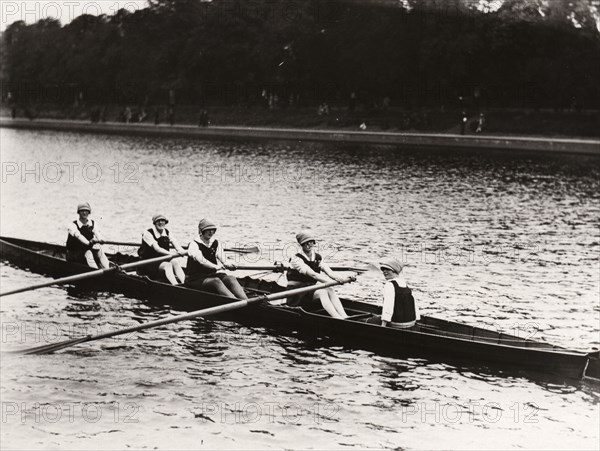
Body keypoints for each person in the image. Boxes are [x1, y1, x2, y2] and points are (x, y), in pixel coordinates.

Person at [287, 231, 349, 319]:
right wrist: (330, 282)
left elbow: (329, 272)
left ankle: (344, 316)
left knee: (330, 289)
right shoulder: (296, 259)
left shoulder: (317, 257)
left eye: (311, 241)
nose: (309, 244)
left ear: (314, 243)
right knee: (322, 292)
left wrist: (340, 278)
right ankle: (337, 318)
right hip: (296, 292)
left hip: (309, 289)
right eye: (306, 242)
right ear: (301, 244)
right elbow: (313, 275)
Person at [184, 219, 248, 299]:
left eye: (213, 230)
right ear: (201, 231)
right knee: (216, 281)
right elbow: (202, 261)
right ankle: (235, 302)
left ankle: (246, 301)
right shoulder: (193, 244)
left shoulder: (216, 243)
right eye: (208, 230)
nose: (211, 232)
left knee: (231, 278)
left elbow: (224, 260)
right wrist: (216, 267)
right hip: (194, 278)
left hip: (210, 275)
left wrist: (230, 265)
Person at [368, 258, 419, 328]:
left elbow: (388, 306)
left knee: (367, 320)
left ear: (395, 270)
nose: (384, 272)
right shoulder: (404, 284)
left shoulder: (389, 285)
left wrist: (383, 326)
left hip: (397, 324)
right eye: (383, 269)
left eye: (388, 269)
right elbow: (414, 305)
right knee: (378, 317)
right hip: (411, 323)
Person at [137, 214, 185, 285]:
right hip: (148, 262)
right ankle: (176, 286)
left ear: (165, 222)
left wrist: (182, 251)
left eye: (163, 221)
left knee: (175, 262)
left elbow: (177, 245)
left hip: (161, 260)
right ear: (154, 223)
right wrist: (172, 254)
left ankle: (185, 283)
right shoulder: (148, 233)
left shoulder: (167, 232)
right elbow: (158, 249)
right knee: (168, 265)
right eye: (158, 221)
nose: (161, 223)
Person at [66, 202, 110, 269]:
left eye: (86, 211)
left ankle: (108, 270)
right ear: (78, 212)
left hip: (86, 251)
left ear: (89, 212)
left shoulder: (92, 223)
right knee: (88, 252)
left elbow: (97, 232)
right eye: (82, 211)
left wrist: (101, 240)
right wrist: (88, 243)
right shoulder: (72, 225)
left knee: (99, 251)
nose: (84, 213)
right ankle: (96, 272)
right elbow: (78, 236)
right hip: (74, 254)